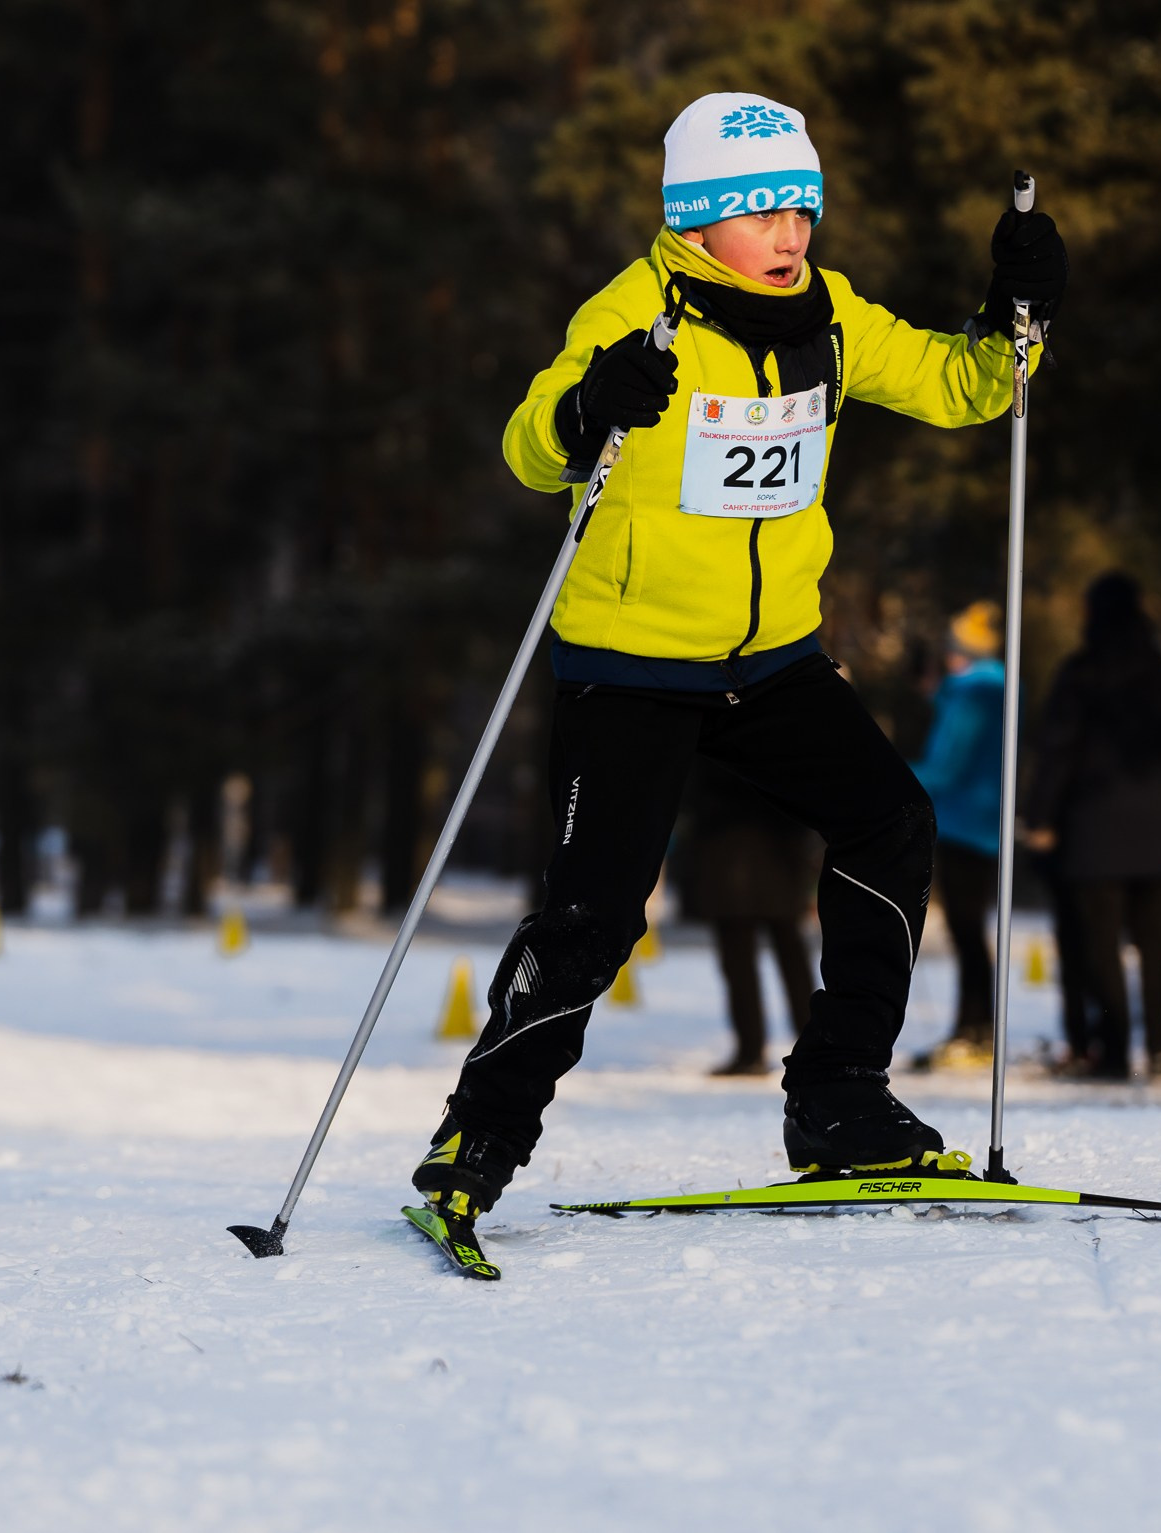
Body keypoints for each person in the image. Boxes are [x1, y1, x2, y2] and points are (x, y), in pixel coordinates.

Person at [408, 92, 1067, 1249]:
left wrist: (1014, 315)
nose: (788, 234)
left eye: (800, 209)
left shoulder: (829, 313)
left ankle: (839, 1103)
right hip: (632, 662)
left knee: (890, 823)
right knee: (595, 917)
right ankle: (477, 1143)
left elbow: (963, 386)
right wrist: (586, 410)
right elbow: (526, 446)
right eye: (760, 211)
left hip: (769, 661)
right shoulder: (636, 313)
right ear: (698, 218)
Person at [1026, 572, 1161, 1078]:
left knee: (1099, 946)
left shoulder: (1081, 673)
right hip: (1158, 826)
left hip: (1092, 828)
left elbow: (1057, 749)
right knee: (1155, 942)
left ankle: (1115, 1047)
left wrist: (1040, 815)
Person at [910, 602, 1007, 1069]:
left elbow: (947, 763)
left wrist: (896, 779)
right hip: (984, 821)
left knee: (966, 929)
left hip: (964, 820)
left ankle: (975, 1029)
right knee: (970, 929)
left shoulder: (972, 692)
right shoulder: (995, 687)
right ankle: (974, 1027)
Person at [675, 762, 817, 1076]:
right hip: (778, 846)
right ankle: (809, 1042)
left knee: (745, 951)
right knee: (786, 947)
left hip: (732, 847)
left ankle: (753, 1049)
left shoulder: (714, 732)